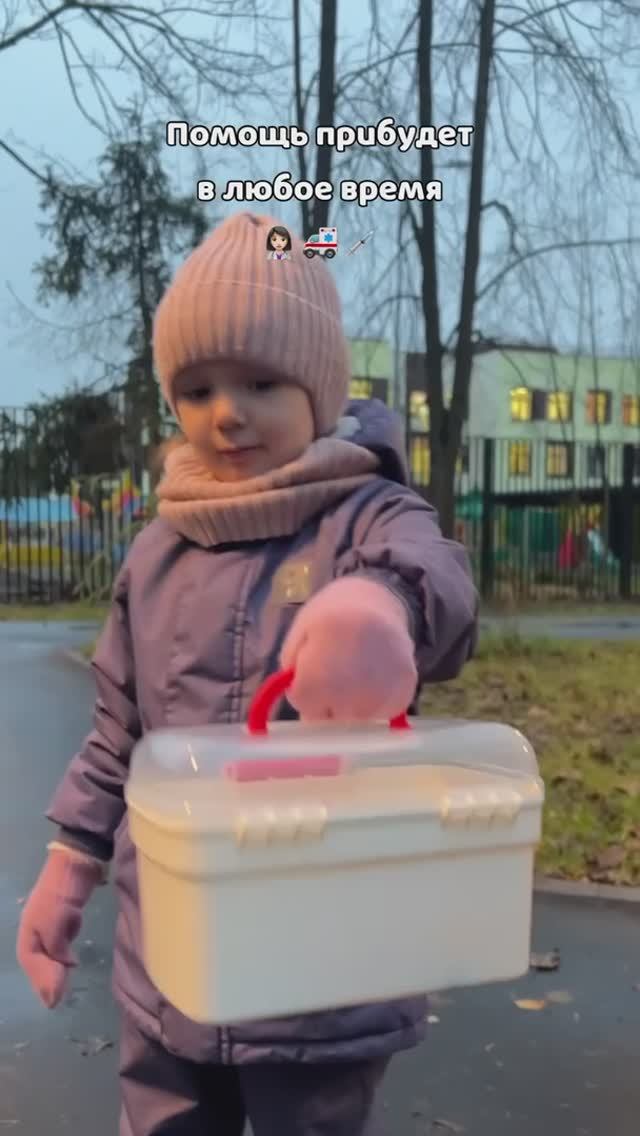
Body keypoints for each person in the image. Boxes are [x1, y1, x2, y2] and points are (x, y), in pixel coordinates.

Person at [16, 212, 478, 1136]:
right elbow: (118, 735)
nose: (226, 412)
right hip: (171, 955)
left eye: (260, 382)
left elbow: (439, 583)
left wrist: (378, 606)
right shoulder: (159, 550)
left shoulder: (367, 513)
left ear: (318, 387)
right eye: (196, 389)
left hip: (322, 962)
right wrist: (68, 868)